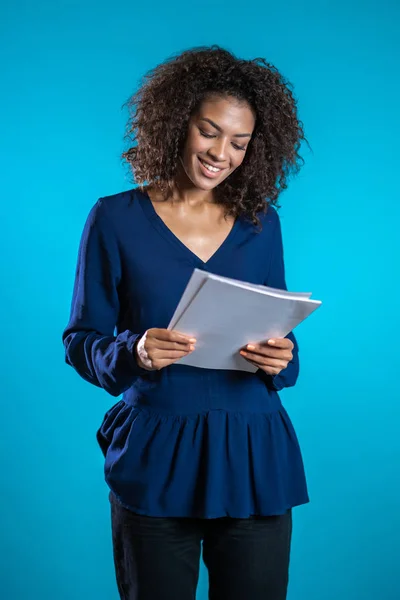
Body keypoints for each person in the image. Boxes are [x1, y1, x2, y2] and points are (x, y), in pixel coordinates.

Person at [62, 45, 309, 600]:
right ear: (178, 123)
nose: (222, 152)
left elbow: (278, 328)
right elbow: (81, 339)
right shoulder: (114, 219)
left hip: (253, 450)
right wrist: (136, 352)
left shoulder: (261, 224)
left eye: (240, 143)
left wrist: (282, 353)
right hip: (158, 453)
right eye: (210, 131)